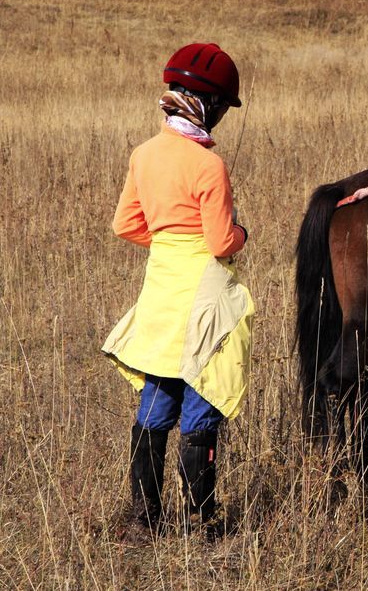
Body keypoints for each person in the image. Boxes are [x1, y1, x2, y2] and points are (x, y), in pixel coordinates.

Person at [102, 42, 254, 540]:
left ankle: (144, 519)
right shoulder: (209, 167)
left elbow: (126, 224)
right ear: (209, 105)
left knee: (156, 398)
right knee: (202, 397)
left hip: (160, 288)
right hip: (203, 292)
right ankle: (202, 522)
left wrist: (167, 238)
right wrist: (243, 235)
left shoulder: (143, 154)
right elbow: (219, 240)